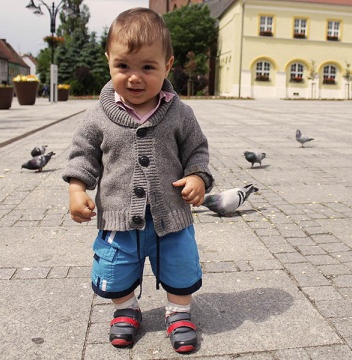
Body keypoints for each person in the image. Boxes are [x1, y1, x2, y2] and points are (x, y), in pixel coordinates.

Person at [62, 8, 214, 353]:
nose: (134, 77)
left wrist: (198, 176)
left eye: (148, 67)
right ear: (108, 62)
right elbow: (82, 154)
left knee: (180, 266)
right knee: (115, 270)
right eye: (123, 66)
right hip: (118, 217)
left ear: (168, 66)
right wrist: (76, 188)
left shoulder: (179, 112)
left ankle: (178, 311)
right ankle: (125, 309)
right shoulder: (98, 114)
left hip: (171, 217)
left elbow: (197, 150)